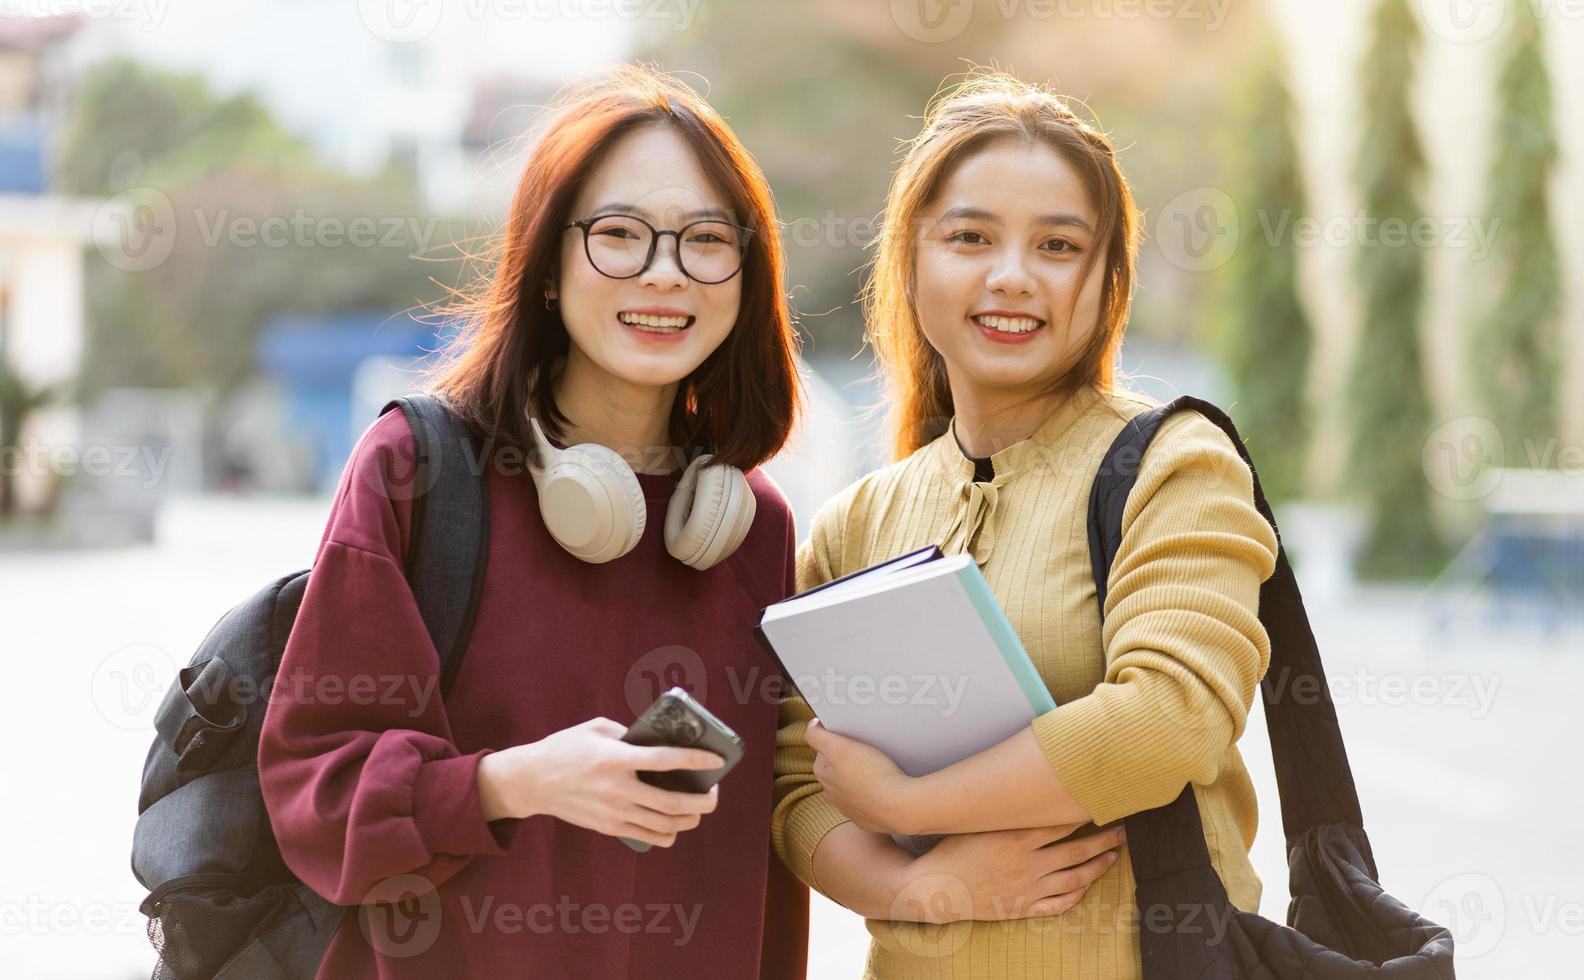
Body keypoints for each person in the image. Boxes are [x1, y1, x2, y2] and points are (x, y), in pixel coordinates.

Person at [258, 64, 808, 978]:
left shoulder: (753, 527)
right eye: (620, 234)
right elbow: (315, 794)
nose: (665, 274)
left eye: (708, 241)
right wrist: (509, 781)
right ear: (548, 267)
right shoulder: (417, 474)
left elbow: (773, 864)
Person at [773, 68, 1280, 979]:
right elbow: (798, 788)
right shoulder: (855, 523)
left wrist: (916, 804)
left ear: (1105, 279)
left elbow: (1171, 717)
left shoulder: (1177, 464)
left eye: (1057, 244)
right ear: (911, 262)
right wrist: (919, 891)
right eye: (969, 237)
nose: (1012, 276)